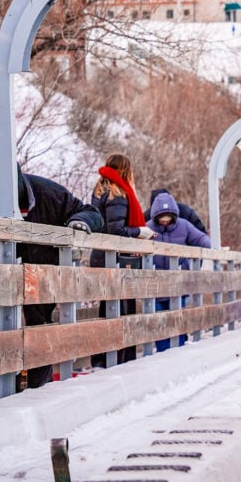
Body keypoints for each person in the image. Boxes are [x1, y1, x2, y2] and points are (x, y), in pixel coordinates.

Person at [0, 155, 104, 390]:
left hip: (41, 264)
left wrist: (78, 222)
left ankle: (36, 386)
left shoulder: (49, 193)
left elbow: (92, 212)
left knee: (38, 322)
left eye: (1, 191)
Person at [90, 154, 156, 366]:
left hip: (102, 256)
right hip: (116, 259)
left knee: (108, 308)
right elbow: (116, 230)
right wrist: (140, 232)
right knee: (123, 309)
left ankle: (105, 359)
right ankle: (119, 360)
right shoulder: (117, 193)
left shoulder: (100, 190)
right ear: (127, 171)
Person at [146, 191, 212, 351]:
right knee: (160, 320)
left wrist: (204, 248)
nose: (165, 221)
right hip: (157, 282)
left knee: (177, 317)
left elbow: (201, 239)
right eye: (161, 218)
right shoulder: (148, 228)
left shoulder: (184, 225)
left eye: (168, 218)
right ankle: (162, 351)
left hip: (179, 281)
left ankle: (179, 348)